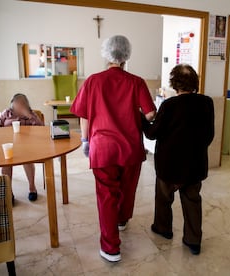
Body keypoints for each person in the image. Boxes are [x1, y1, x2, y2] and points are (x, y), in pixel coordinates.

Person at [70, 35, 156, 263]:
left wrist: (86, 141)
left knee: (106, 196)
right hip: (130, 149)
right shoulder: (136, 82)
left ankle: (111, 248)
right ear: (127, 55)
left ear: (106, 54)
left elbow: (84, 116)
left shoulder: (93, 81)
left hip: (103, 149)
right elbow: (150, 114)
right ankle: (122, 219)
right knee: (127, 190)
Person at [143, 64, 215, 255]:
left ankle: (163, 228)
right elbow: (209, 135)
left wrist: (141, 118)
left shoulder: (169, 105)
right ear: (195, 83)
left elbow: (151, 134)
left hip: (169, 166)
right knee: (192, 201)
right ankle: (193, 241)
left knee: (163, 198)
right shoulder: (207, 103)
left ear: (175, 84)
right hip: (195, 165)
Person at [0, 93, 44, 202]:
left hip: (27, 145)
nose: (20, 106)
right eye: (18, 104)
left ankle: (32, 188)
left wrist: (30, 116)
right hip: (9, 144)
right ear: (12, 105)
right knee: (6, 162)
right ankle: (8, 192)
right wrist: (2, 133)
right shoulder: (6, 113)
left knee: (27, 160)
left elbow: (42, 128)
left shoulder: (31, 114)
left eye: (23, 104)